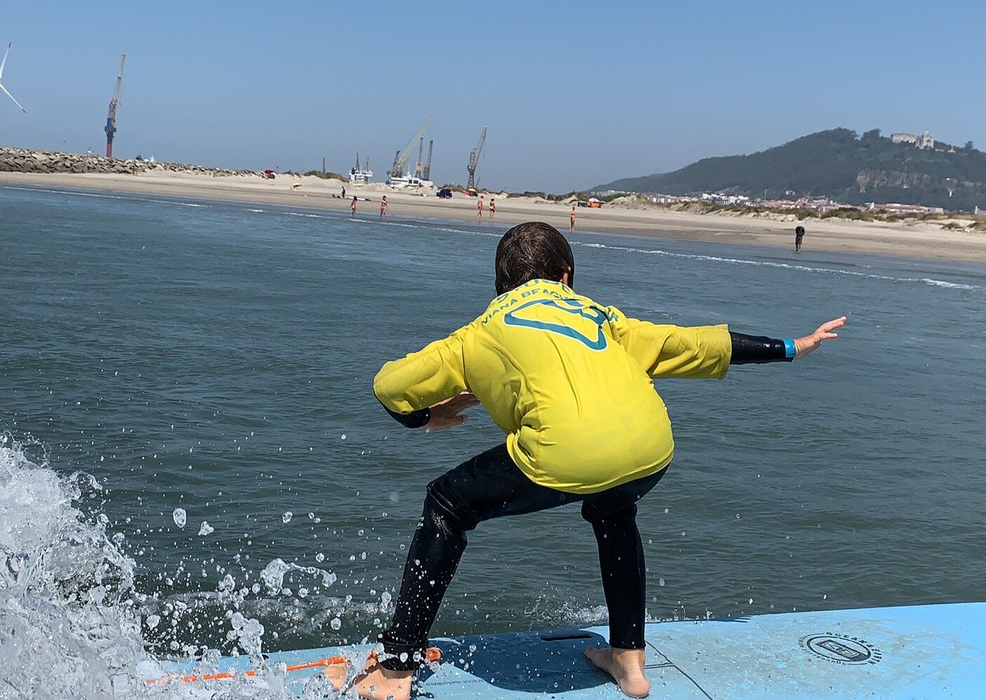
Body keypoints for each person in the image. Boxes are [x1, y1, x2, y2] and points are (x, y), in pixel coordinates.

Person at [331, 222, 845, 700]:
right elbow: (690, 344)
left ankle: (395, 668)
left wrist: (426, 420)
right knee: (614, 508)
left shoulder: (479, 333)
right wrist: (792, 347)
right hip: (651, 448)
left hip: (563, 454)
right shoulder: (601, 316)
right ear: (566, 276)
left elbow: (390, 386)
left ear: (499, 284)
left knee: (447, 502)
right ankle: (629, 661)